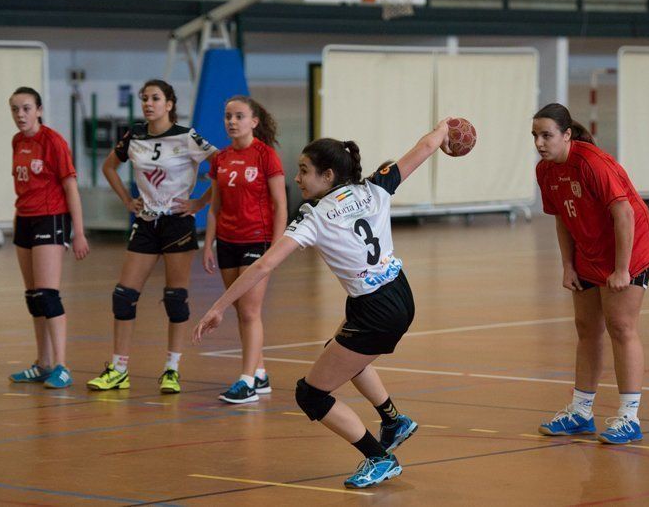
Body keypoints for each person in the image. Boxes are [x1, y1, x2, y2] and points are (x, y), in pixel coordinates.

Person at [194, 120, 455, 488]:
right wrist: (444, 129)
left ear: (328, 175)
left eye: (304, 171)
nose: (298, 179)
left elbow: (266, 263)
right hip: (400, 292)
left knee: (311, 394)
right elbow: (424, 149)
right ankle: (393, 420)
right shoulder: (375, 186)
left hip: (374, 309)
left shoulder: (313, 214)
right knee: (339, 351)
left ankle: (378, 458)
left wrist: (218, 306)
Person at [533, 103, 649, 445]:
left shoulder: (591, 163)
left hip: (628, 247)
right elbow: (562, 217)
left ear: (566, 134)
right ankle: (581, 412)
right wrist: (568, 264)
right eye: (535, 136)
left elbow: (625, 215)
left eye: (547, 135)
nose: (540, 143)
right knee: (586, 328)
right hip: (588, 250)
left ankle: (629, 417)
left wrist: (621, 269)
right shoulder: (546, 171)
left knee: (621, 326)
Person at [86, 79, 215, 393]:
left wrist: (199, 201)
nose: (148, 103)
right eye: (144, 98)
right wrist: (127, 201)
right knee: (123, 295)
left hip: (177, 223)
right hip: (145, 222)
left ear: (169, 104)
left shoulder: (187, 137)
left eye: (155, 98)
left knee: (175, 298)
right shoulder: (135, 134)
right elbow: (109, 167)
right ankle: (118, 368)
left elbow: (223, 166)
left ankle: (172, 369)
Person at [202, 96, 287, 404]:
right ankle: (260, 372)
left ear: (254, 122)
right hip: (227, 241)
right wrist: (208, 243)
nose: (232, 121)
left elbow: (280, 205)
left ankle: (247, 381)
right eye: (228, 116)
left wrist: (275, 248)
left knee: (250, 311)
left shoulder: (266, 156)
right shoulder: (220, 159)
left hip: (257, 240)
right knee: (241, 309)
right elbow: (214, 207)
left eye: (239, 116)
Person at [8, 86, 90, 389]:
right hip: (25, 221)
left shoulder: (53, 141)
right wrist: (17, 221)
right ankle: (42, 363)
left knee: (47, 293)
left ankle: (61, 366)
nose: (21, 115)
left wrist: (78, 232)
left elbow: (70, 187)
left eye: (27, 108)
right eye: (15, 109)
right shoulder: (17, 141)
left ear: (39, 110)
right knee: (33, 297)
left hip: (51, 218)